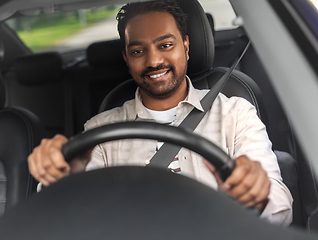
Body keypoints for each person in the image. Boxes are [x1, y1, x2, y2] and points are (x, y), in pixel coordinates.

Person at [28, 0, 293, 225]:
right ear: (126, 58)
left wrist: (255, 196)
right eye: (138, 51)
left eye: (165, 45)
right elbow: (76, 219)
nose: (153, 61)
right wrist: (65, 177)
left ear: (186, 46)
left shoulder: (235, 113)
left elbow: (281, 207)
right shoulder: (100, 131)